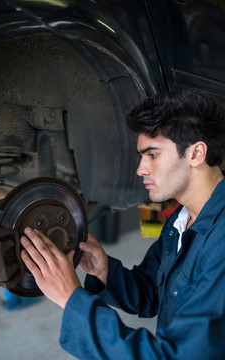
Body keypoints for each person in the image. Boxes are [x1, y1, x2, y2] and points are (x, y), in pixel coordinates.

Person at [20, 89, 225, 359]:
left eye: (152, 155)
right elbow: (154, 294)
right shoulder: (181, 219)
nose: (140, 168)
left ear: (196, 153)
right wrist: (106, 272)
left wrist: (71, 299)